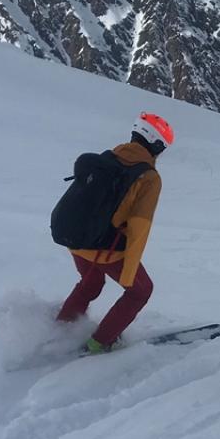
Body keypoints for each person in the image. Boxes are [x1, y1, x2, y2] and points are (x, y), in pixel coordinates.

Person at [56, 112, 173, 353]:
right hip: (103, 248)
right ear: (156, 144)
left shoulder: (107, 158)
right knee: (140, 291)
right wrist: (129, 275)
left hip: (76, 238)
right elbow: (139, 227)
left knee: (91, 282)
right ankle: (99, 343)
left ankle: (58, 332)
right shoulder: (148, 177)